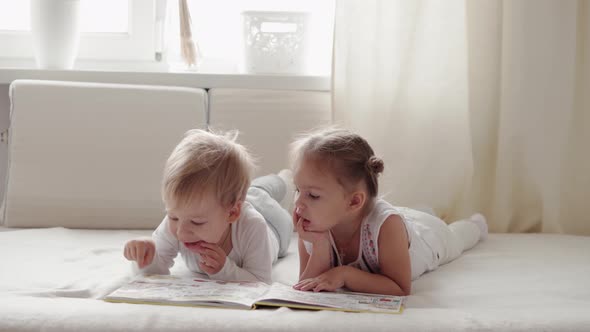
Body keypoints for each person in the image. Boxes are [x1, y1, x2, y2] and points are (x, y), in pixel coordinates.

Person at [289, 127, 487, 296]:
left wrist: (344, 274)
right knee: (411, 215)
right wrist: (320, 246)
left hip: (429, 240)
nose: (298, 203)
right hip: (396, 221)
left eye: (313, 195)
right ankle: (422, 212)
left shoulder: (387, 226)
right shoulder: (313, 229)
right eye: (298, 189)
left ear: (354, 202)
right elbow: (305, 286)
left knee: (455, 237)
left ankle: (475, 225)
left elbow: (400, 287)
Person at [123, 129, 293, 284]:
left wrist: (224, 270)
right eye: (173, 217)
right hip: (232, 202)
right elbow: (155, 273)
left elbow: (260, 281)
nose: (181, 232)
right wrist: (145, 257)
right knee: (251, 190)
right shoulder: (182, 218)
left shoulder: (254, 226)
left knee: (261, 191)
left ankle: (286, 179)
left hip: (274, 224)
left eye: (197, 222)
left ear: (232, 213)